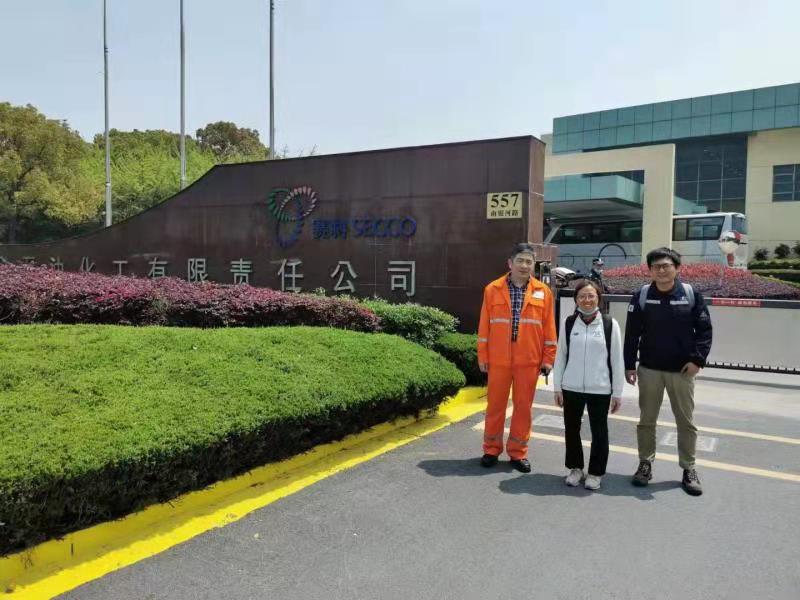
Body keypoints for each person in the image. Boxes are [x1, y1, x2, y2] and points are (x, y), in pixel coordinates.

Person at [624, 247, 712, 496]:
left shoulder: (690, 295)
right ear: (650, 270)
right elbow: (632, 334)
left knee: (685, 422)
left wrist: (697, 361)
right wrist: (629, 365)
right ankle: (645, 464)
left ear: (677, 268)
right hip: (649, 369)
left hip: (682, 371)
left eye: (666, 265)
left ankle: (689, 468)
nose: (661, 270)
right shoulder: (642, 296)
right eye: (656, 266)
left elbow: (705, 331)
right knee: (646, 421)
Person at [477, 243, 558, 473]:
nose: (524, 265)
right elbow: (484, 326)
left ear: (534, 265)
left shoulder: (543, 292)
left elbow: (549, 328)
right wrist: (483, 355)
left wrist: (548, 358)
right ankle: (491, 449)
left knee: (523, 408)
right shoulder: (492, 289)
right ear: (510, 263)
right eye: (520, 261)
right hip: (499, 359)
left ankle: (518, 452)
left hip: (528, 360)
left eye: (529, 262)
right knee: (495, 406)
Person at [552, 279, 624, 490]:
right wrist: (557, 387)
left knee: (599, 433)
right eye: (582, 296)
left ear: (598, 299)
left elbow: (617, 360)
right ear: (576, 299)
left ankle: (595, 473)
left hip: (600, 388)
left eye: (591, 296)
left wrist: (617, 392)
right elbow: (561, 356)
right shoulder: (568, 323)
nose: (587, 300)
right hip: (571, 387)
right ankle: (575, 468)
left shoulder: (609, 324)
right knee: (571, 430)